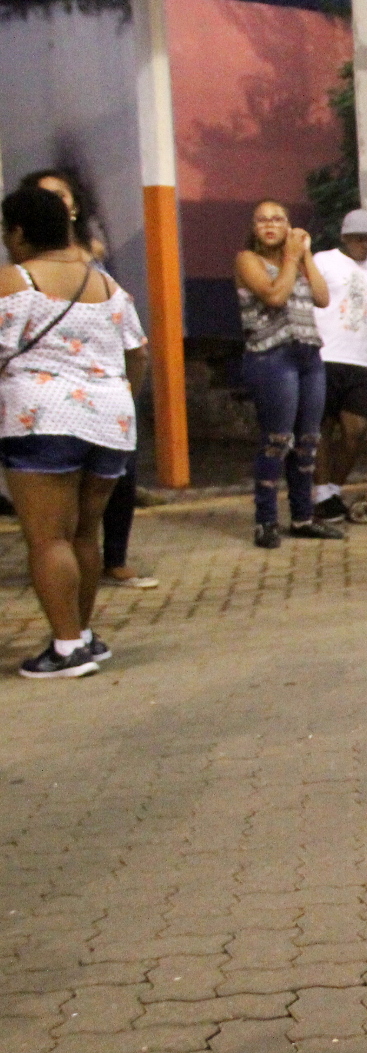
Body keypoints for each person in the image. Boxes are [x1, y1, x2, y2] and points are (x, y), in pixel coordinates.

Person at [0, 186, 149, 677]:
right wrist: (122, 395)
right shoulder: (106, 285)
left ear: (19, 232)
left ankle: (65, 649)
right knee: (86, 533)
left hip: (42, 419)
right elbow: (139, 353)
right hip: (110, 419)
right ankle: (83, 636)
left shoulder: (16, 281)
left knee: (47, 540)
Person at [25, 169, 156, 589]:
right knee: (66, 514)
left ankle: (108, 562)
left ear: (75, 206)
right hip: (67, 400)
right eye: (43, 198)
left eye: (60, 196)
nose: (54, 205)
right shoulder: (24, 268)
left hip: (98, 390)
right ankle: (73, 608)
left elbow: (133, 343)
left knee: (115, 481)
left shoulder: (92, 256)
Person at [235, 199, 338, 549]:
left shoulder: (297, 260)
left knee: (308, 440)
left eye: (278, 219)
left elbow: (323, 298)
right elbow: (275, 296)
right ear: (253, 227)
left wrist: (305, 254)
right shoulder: (248, 260)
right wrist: (292, 259)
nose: (269, 225)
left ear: (288, 225)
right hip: (271, 356)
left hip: (308, 353)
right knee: (277, 439)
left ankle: (303, 517)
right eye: (262, 219)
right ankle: (265, 520)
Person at [311, 209, 367, 521]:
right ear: (344, 237)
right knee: (322, 428)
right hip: (324, 355)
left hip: (357, 359)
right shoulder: (324, 260)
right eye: (360, 238)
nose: (366, 244)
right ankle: (322, 495)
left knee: (355, 430)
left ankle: (331, 488)